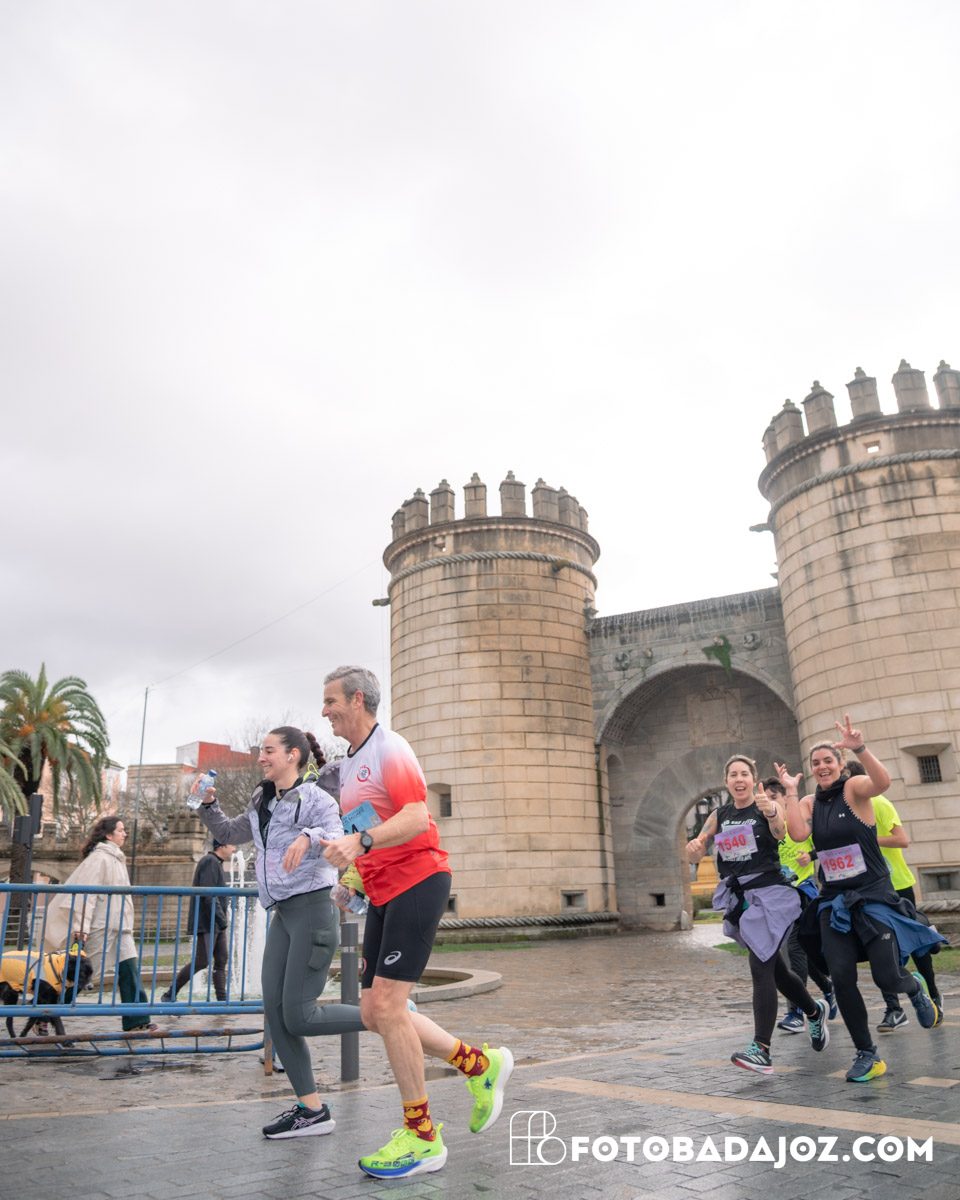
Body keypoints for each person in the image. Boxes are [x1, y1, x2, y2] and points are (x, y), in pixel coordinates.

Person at [319, 666, 513, 1180]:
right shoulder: (350, 764)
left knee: (387, 1006)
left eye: (331, 700)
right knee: (374, 1012)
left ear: (357, 700)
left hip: (418, 882)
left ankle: (423, 1136)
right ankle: (479, 1065)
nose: (324, 710)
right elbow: (368, 830)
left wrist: (358, 842)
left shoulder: (390, 748)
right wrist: (354, 880)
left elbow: (415, 817)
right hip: (384, 891)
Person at [196, 725, 366, 1139]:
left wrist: (308, 837)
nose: (261, 757)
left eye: (269, 750)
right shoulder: (262, 800)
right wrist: (208, 804)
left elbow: (339, 836)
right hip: (282, 915)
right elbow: (230, 833)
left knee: (300, 1015)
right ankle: (312, 1110)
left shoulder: (316, 798)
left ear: (293, 756)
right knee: (275, 1011)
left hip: (312, 909)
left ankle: (389, 1016)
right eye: (261, 750)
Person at [779, 716, 946, 1083]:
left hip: (873, 897)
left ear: (840, 764)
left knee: (887, 977)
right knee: (842, 978)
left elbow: (882, 783)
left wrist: (860, 748)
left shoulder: (854, 788)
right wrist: (790, 790)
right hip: (833, 902)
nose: (822, 767)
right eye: (816, 763)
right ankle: (867, 1054)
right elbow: (797, 832)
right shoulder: (809, 801)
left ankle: (915, 988)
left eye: (828, 760)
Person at [685, 754, 830, 1075]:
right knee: (776, 970)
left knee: (759, 967)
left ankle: (761, 1048)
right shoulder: (719, 815)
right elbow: (697, 848)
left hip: (770, 894)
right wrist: (693, 850)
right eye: (733, 774)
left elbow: (779, 833)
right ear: (726, 781)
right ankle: (813, 1010)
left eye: (744, 774)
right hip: (741, 899)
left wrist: (772, 811)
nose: (739, 779)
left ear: (753, 780)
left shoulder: (767, 806)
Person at [843, 762, 944, 1030]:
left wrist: (868, 839)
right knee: (876, 949)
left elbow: (901, 839)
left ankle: (933, 995)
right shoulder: (843, 810)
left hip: (896, 885)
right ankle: (894, 1009)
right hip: (867, 889)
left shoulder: (879, 803)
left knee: (917, 946)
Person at [43, 816, 157, 1033]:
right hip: (101, 926)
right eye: (120, 830)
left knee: (130, 969)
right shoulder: (99, 859)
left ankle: (137, 1020)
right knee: (83, 976)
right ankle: (44, 1013)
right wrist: (81, 927)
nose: (125, 834)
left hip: (120, 927)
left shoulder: (116, 858)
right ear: (108, 834)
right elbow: (86, 894)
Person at [763, 777, 836, 1033]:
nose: (770, 803)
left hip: (801, 892)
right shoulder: (764, 828)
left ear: (785, 799)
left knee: (793, 951)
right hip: (775, 898)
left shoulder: (798, 822)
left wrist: (811, 856)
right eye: (765, 799)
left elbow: (830, 842)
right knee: (799, 953)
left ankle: (796, 1013)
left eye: (774, 798)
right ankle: (827, 987)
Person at [161, 838, 235, 1008]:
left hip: (216, 922)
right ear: (221, 846)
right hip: (208, 921)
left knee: (221, 960)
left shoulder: (216, 863)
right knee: (202, 961)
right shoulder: (209, 862)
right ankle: (170, 994)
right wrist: (221, 919)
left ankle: (222, 1002)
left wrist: (221, 920)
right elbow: (208, 895)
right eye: (232, 845)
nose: (234, 849)